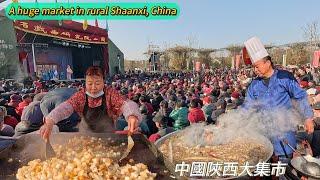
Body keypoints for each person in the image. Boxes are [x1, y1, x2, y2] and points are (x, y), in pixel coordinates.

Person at [243, 37, 314, 160]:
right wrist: (227, 124)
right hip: (263, 134)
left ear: (267, 62)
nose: (255, 70)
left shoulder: (285, 78)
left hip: (284, 133)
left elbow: (301, 96)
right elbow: (246, 107)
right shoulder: (254, 85)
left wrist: (308, 118)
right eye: (253, 67)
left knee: (283, 170)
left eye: (257, 66)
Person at [40, 66, 142, 140]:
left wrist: (132, 116)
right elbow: (65, 107)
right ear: (85, 83)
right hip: (85, 137)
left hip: (108, 137)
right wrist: (50, 120)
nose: (93, 87)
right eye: (90, 83)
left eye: (97, 83)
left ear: (103, 82)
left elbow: (126, 104)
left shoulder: (110, 94)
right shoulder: (81, 95)